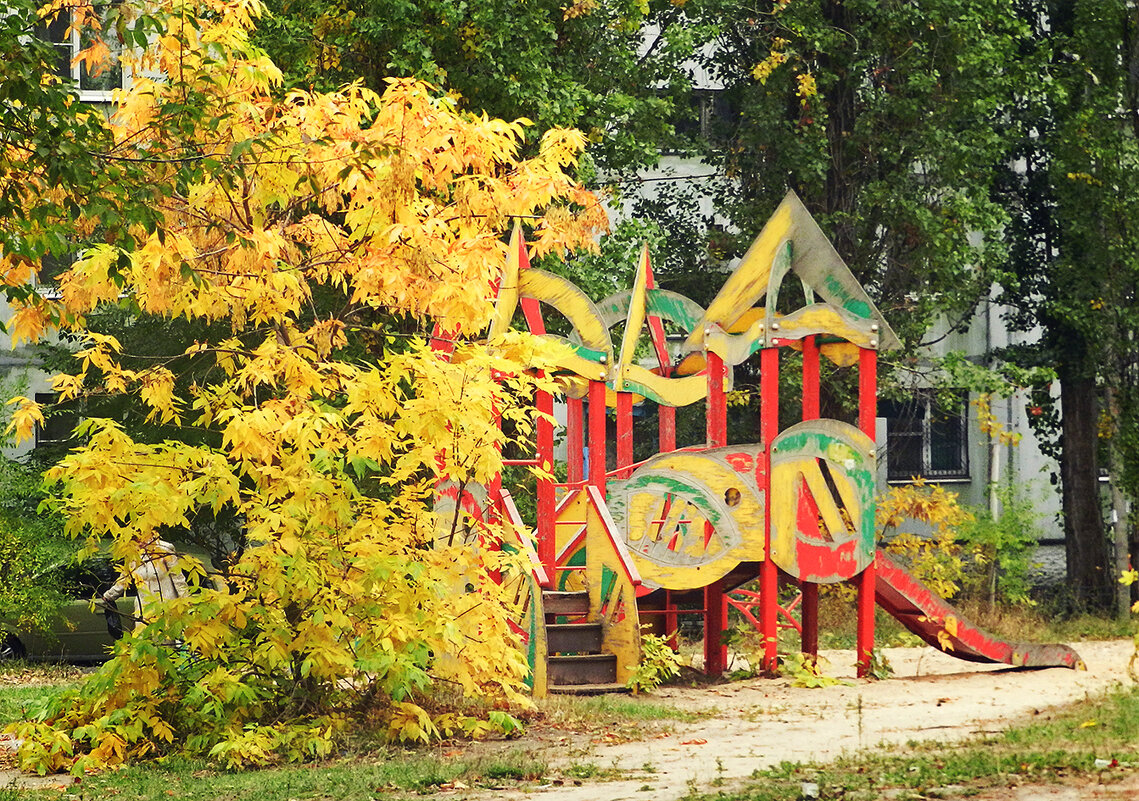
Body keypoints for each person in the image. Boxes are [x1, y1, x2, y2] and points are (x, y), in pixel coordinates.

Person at [102, 538, 189, 626]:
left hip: (166, 606)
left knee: (165, 637)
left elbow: (178, 579)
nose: (139, 540)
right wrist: (109, 596)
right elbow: (124, 579)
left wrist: (186, 602)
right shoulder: (132, 554)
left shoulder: (163, 550)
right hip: (144, 608)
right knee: (143, 636)